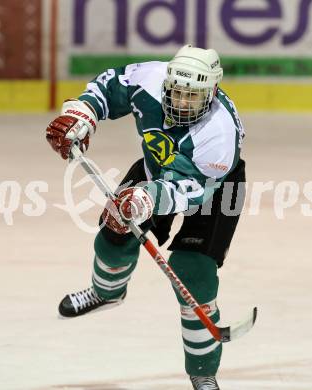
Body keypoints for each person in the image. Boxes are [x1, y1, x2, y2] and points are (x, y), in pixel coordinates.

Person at [46, 44, 246, 390]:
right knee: (114, 230)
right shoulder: (149, 78)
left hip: (212, 188)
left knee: (193, 272)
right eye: (177, 93)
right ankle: (106, 292)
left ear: (212, 93)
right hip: (156, 172)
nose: (182, 102)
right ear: (167, 82)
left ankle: (203, 371)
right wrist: (83, 113)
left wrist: (146, 199)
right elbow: (109, 86)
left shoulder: (220, 136)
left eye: (192, 97)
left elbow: (194, 191)